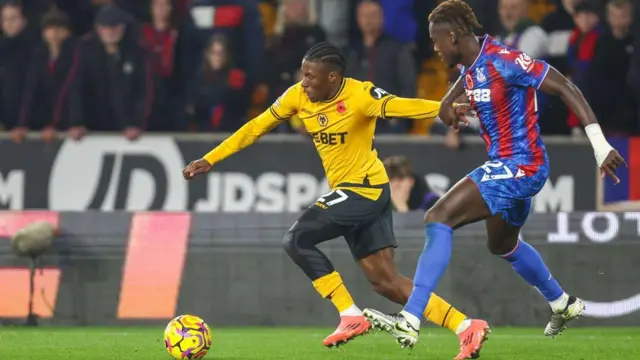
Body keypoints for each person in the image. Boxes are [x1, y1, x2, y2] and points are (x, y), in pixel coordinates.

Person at [183, 42, 489, 359]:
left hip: (364, 189)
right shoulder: (297, 96)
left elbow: (401, 105)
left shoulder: (360, 95)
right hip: (362, 192)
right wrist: (211, 158)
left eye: (311, 77)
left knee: (297, 239)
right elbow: (256, 127)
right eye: (303, 75)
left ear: (332, 78)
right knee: (387, 283)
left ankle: (349, 315)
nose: (304, 83)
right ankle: (466, 326)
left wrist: (444, 107)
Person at [363, 0, 626, 351]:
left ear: (453, 36)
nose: (435, 49)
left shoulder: (506, 59)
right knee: (502, 244)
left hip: (521, 165)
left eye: (437, 41)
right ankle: (562, 303)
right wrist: (445, 101)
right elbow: (469, 76)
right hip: (511, 168)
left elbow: (564, 87)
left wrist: (599, 145)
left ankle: (410, 318)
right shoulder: (472, 63)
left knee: (437, 217)